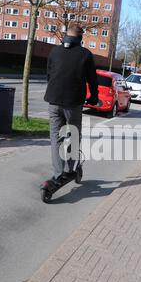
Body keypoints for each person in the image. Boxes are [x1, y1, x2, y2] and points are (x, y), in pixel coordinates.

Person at [43, 25, 99, 187]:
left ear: (66, 35)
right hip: (73, 103)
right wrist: (94, 97)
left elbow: (49, 74)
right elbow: (92, 79)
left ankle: (58, 173)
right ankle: (70, 168)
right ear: (80, 37)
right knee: (74, 135)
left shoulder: (54, 51)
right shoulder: (85, 55)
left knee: (56, 137)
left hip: (53, 101)